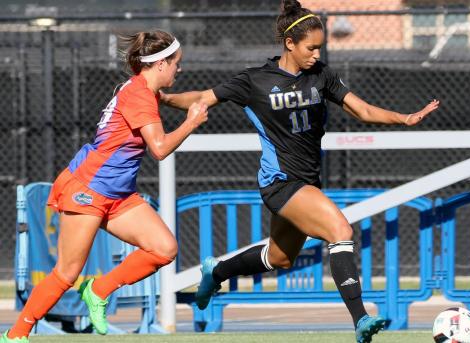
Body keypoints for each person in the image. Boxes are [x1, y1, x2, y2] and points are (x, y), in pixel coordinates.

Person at [162, 1, 439, 342]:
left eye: (319, 47)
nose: (315, 54)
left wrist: (405, 118)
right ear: (289, 44)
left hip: (306, 182)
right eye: (311, 47)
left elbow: (362, 110)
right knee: (340, 230)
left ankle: (215, 271)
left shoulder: (320, 75)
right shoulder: (255, 80)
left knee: (279, 258)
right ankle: (361, 319)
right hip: (280, 182)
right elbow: (202, 97)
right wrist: (163, 98)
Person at [1, 30, 208, 343]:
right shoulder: (139, 95)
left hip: (118, 193)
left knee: (164, 249)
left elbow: (182, 100)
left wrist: (225, 94)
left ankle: (97, 291)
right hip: (89, 188)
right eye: (177, 63)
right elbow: (160, 148)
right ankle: (17, 334)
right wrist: (191, 123)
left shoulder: (147, 90)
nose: (180, 69)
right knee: (67, 273)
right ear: (161, 64)